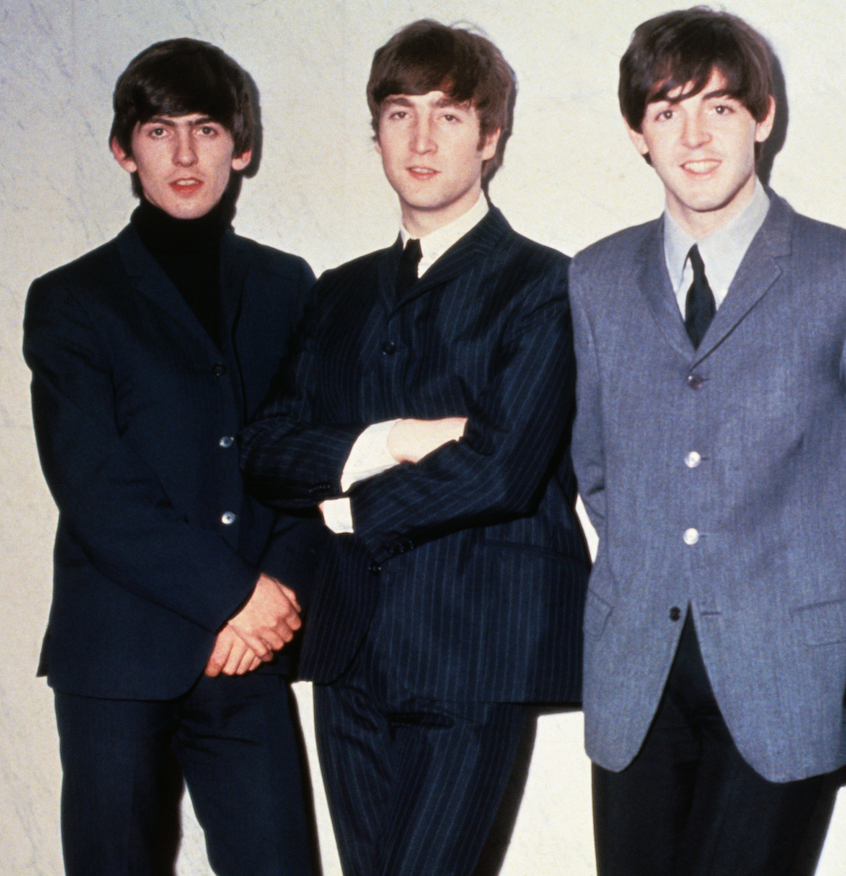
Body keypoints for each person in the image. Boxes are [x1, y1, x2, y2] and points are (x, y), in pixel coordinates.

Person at [568, 8, 846, 874]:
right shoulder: (594, 276)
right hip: (634, 676)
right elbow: (597, 466)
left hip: (787, 673)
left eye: (720, 108)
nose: (694, 137)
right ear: (635, 133)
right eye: (666, 111)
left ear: (764, 117)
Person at [239, 20, 589, 876]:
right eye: (401, 114)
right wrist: (388, 440)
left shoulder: (547, 284)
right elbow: (264, 451)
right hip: (350, 643)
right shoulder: (338, 293)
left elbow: (505, 468)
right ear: (377, 134)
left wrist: (344, 503)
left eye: (451, 115)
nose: (422, 139)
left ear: (492, 137)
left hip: (476, 645)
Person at [23, 38, 319, 876]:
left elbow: (301, 460)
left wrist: (277, 600)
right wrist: (234, 596)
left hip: (247, 653)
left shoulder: (286, 285)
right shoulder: (71, 301)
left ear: (242, 145)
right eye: (159, 131)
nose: (185, 155)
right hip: (117, 655)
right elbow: (96, 488)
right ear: (124, 150)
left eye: (206, 129)